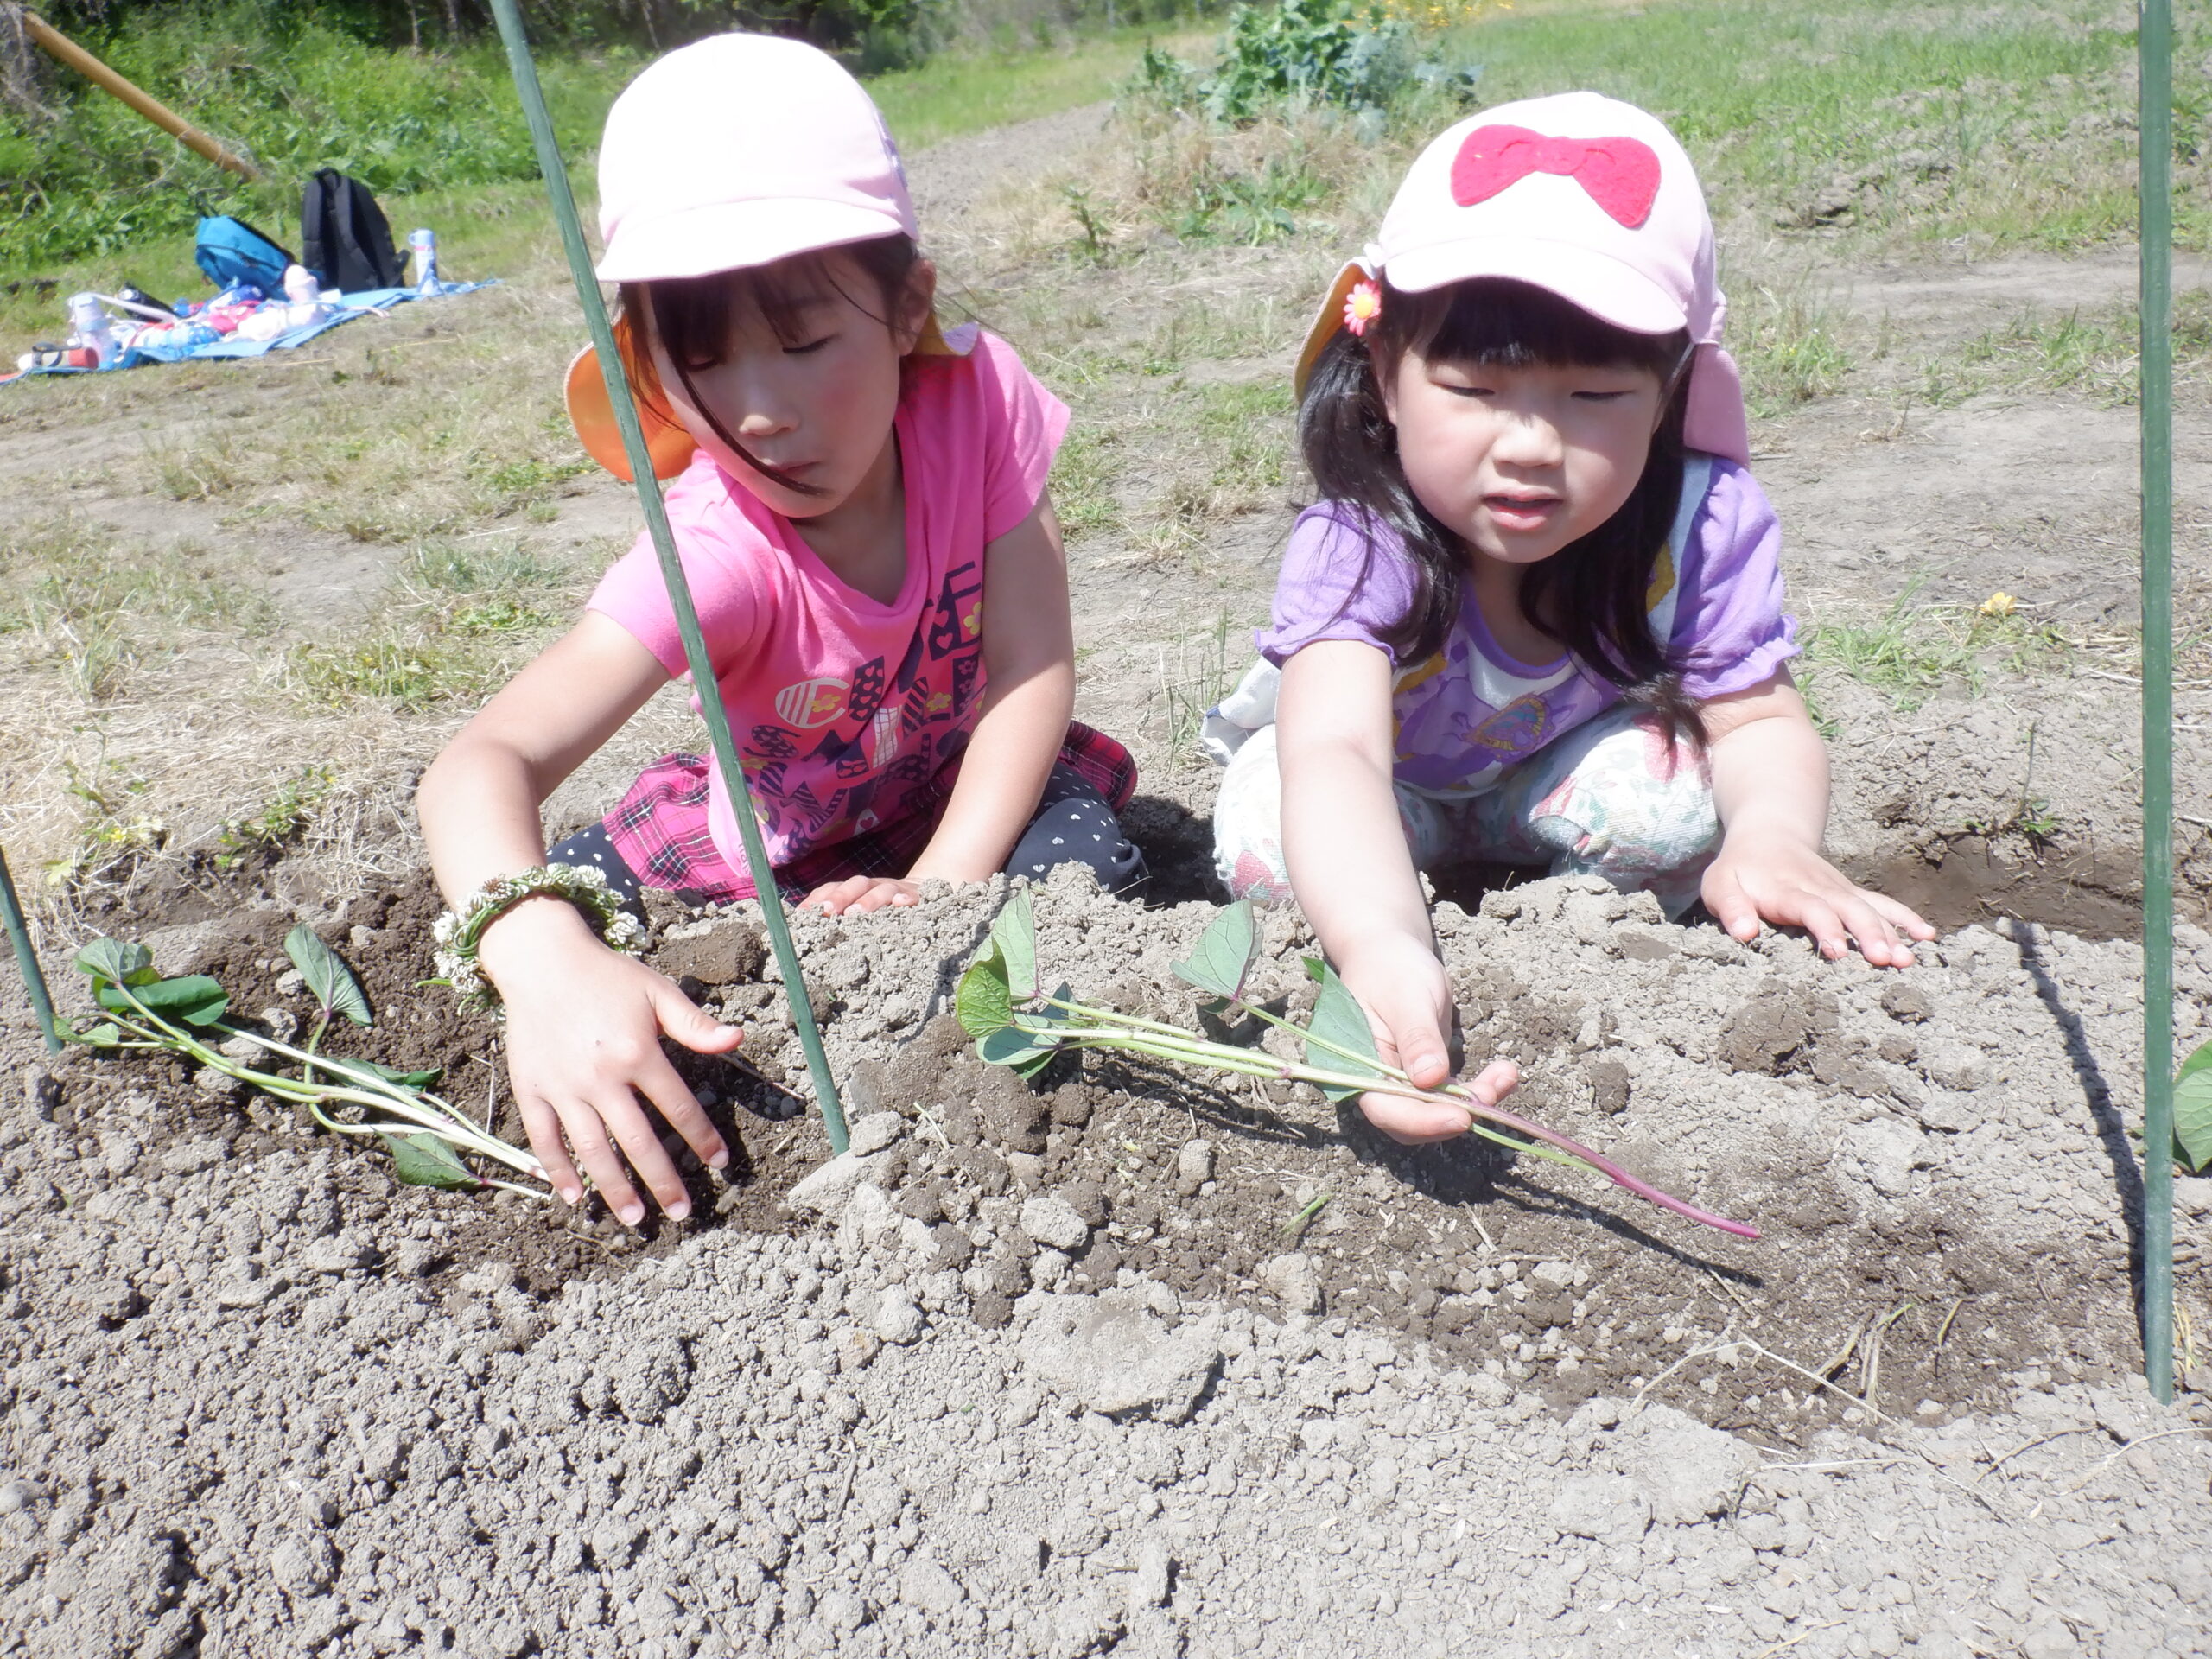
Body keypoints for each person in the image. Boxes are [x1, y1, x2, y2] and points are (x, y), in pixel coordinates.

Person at [416, 35, 1144, 1224]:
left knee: (1082, 872)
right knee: (589, 911)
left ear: (907, 307)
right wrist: (542, 956)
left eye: (807, 343)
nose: (761, 411)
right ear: (644, 364)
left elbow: (1030, 665)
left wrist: (941, 887)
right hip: (773, 843)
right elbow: (478, 766)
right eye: (701, 358)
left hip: (956, 785)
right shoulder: (713, 556)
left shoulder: (977, 404)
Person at [1206, 92, 1932, 1146]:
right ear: (1386, 374)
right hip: (1386, 791)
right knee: (1269, 819)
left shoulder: (1698, 524)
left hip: (1548, 784)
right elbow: (1337, 751)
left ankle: (1580, 924)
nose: (1531, 445)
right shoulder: (1360, 538)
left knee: (1684, 799)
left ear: (1668, 392)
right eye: (1473, 388)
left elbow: (1757, 721)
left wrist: (1774, 840)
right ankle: (1401, 908)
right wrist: (1378, 948)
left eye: (1593, 396)